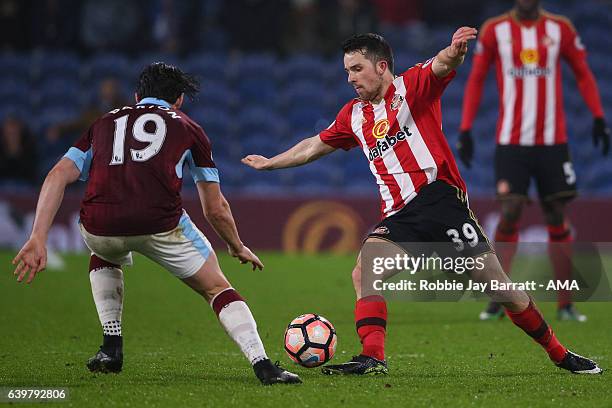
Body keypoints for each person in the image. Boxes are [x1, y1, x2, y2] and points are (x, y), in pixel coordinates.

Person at [242, 31, 602, 375]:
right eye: (347, 71)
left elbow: (441, 65)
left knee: (499, 287)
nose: (350, 78)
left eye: (357, 69)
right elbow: (313, 145)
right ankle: (372, 357)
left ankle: (560, 354)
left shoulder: (411, 86)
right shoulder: (353, 115)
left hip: (440, 199)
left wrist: (454, 51)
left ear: (381, 66)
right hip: (400, 215)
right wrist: (271, 162)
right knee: (365, 272)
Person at [12, 62, 301, 385]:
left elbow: (57, 175)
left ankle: (111, 347)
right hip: (160, 224)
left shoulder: (103, 123)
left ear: (137, 96)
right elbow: (215, 207)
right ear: (178, 100)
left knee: (105, 253)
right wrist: (237, 245)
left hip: (99, 225)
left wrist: (38, 236)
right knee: (217, 287)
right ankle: (263, 365)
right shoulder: (189, 128)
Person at [457, 0, 610, 321]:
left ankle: (565, 304)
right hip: (511, 142)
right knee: (510, 211)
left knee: (556, 214)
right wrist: (467, 128)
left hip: (553, 143)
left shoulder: (561, 28)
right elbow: (476, 79)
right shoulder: (496, 29)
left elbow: (583, 73)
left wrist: (598, 117)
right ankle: (500, 297)